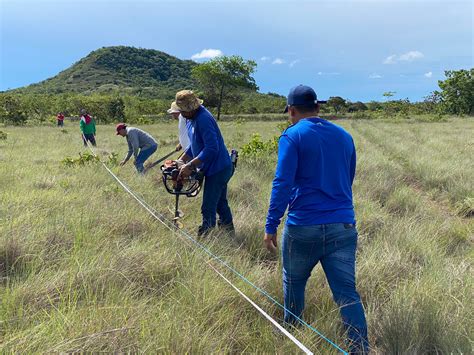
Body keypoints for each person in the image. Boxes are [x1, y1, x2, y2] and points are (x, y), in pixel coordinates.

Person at [264, 85, 369, 353]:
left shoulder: (292, 136)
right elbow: (349, 177)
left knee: (294, 282)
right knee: (347, 293)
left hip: (303, 226)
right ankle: (359, 349)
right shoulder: (345, 136)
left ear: (292, 110)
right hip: (343, 225)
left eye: (289, 112)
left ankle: (293, 338)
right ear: (318, 108)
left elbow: (282, 183)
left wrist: (271, 224)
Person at [174, 90, 234, 236]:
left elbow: (212, 148)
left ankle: (207, 236)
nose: (181, 113)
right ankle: (229, 232)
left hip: (219, 168)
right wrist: (183, 159)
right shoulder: (190, 119)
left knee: (208, 206)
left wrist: (191, 165)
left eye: (183, 111)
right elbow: (194, 145)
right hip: (212, 167)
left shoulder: (203, 119)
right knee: (220, 202)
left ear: (192, 108)